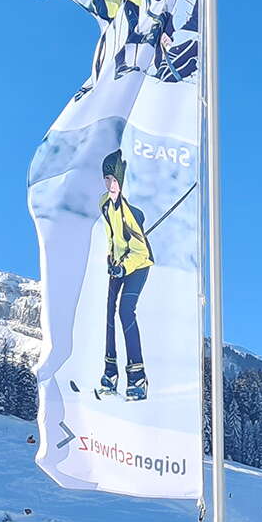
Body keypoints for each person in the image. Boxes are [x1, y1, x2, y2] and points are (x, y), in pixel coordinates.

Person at [94, 150, 152, 402]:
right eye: (107, 179)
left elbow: (141, 251)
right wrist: (111, 256)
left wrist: (124, 267)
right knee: (108, 312)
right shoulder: (104, 204)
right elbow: (112, 236)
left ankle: (137, 376)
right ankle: (110, 373)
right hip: (118, 264)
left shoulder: (128, 213)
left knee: (126, 311)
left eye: (114, 180)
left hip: (137, 266)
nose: (110, 184)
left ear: (122, 181)